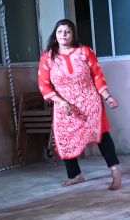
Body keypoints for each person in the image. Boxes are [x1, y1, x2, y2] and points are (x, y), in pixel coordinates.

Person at [38, 19, 122, 190]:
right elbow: (43, 85)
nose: (63, 35)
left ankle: (115, 173)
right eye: (60, 31)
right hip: (64, 106)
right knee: (64, 138)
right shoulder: (47, 57)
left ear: (73, 35)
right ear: (55, 34)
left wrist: (108, 97)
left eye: (67, 32)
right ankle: (75, 175)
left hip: (90, 102)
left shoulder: (85, 51)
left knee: (102, 135)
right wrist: (61, 102)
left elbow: (97, 76)